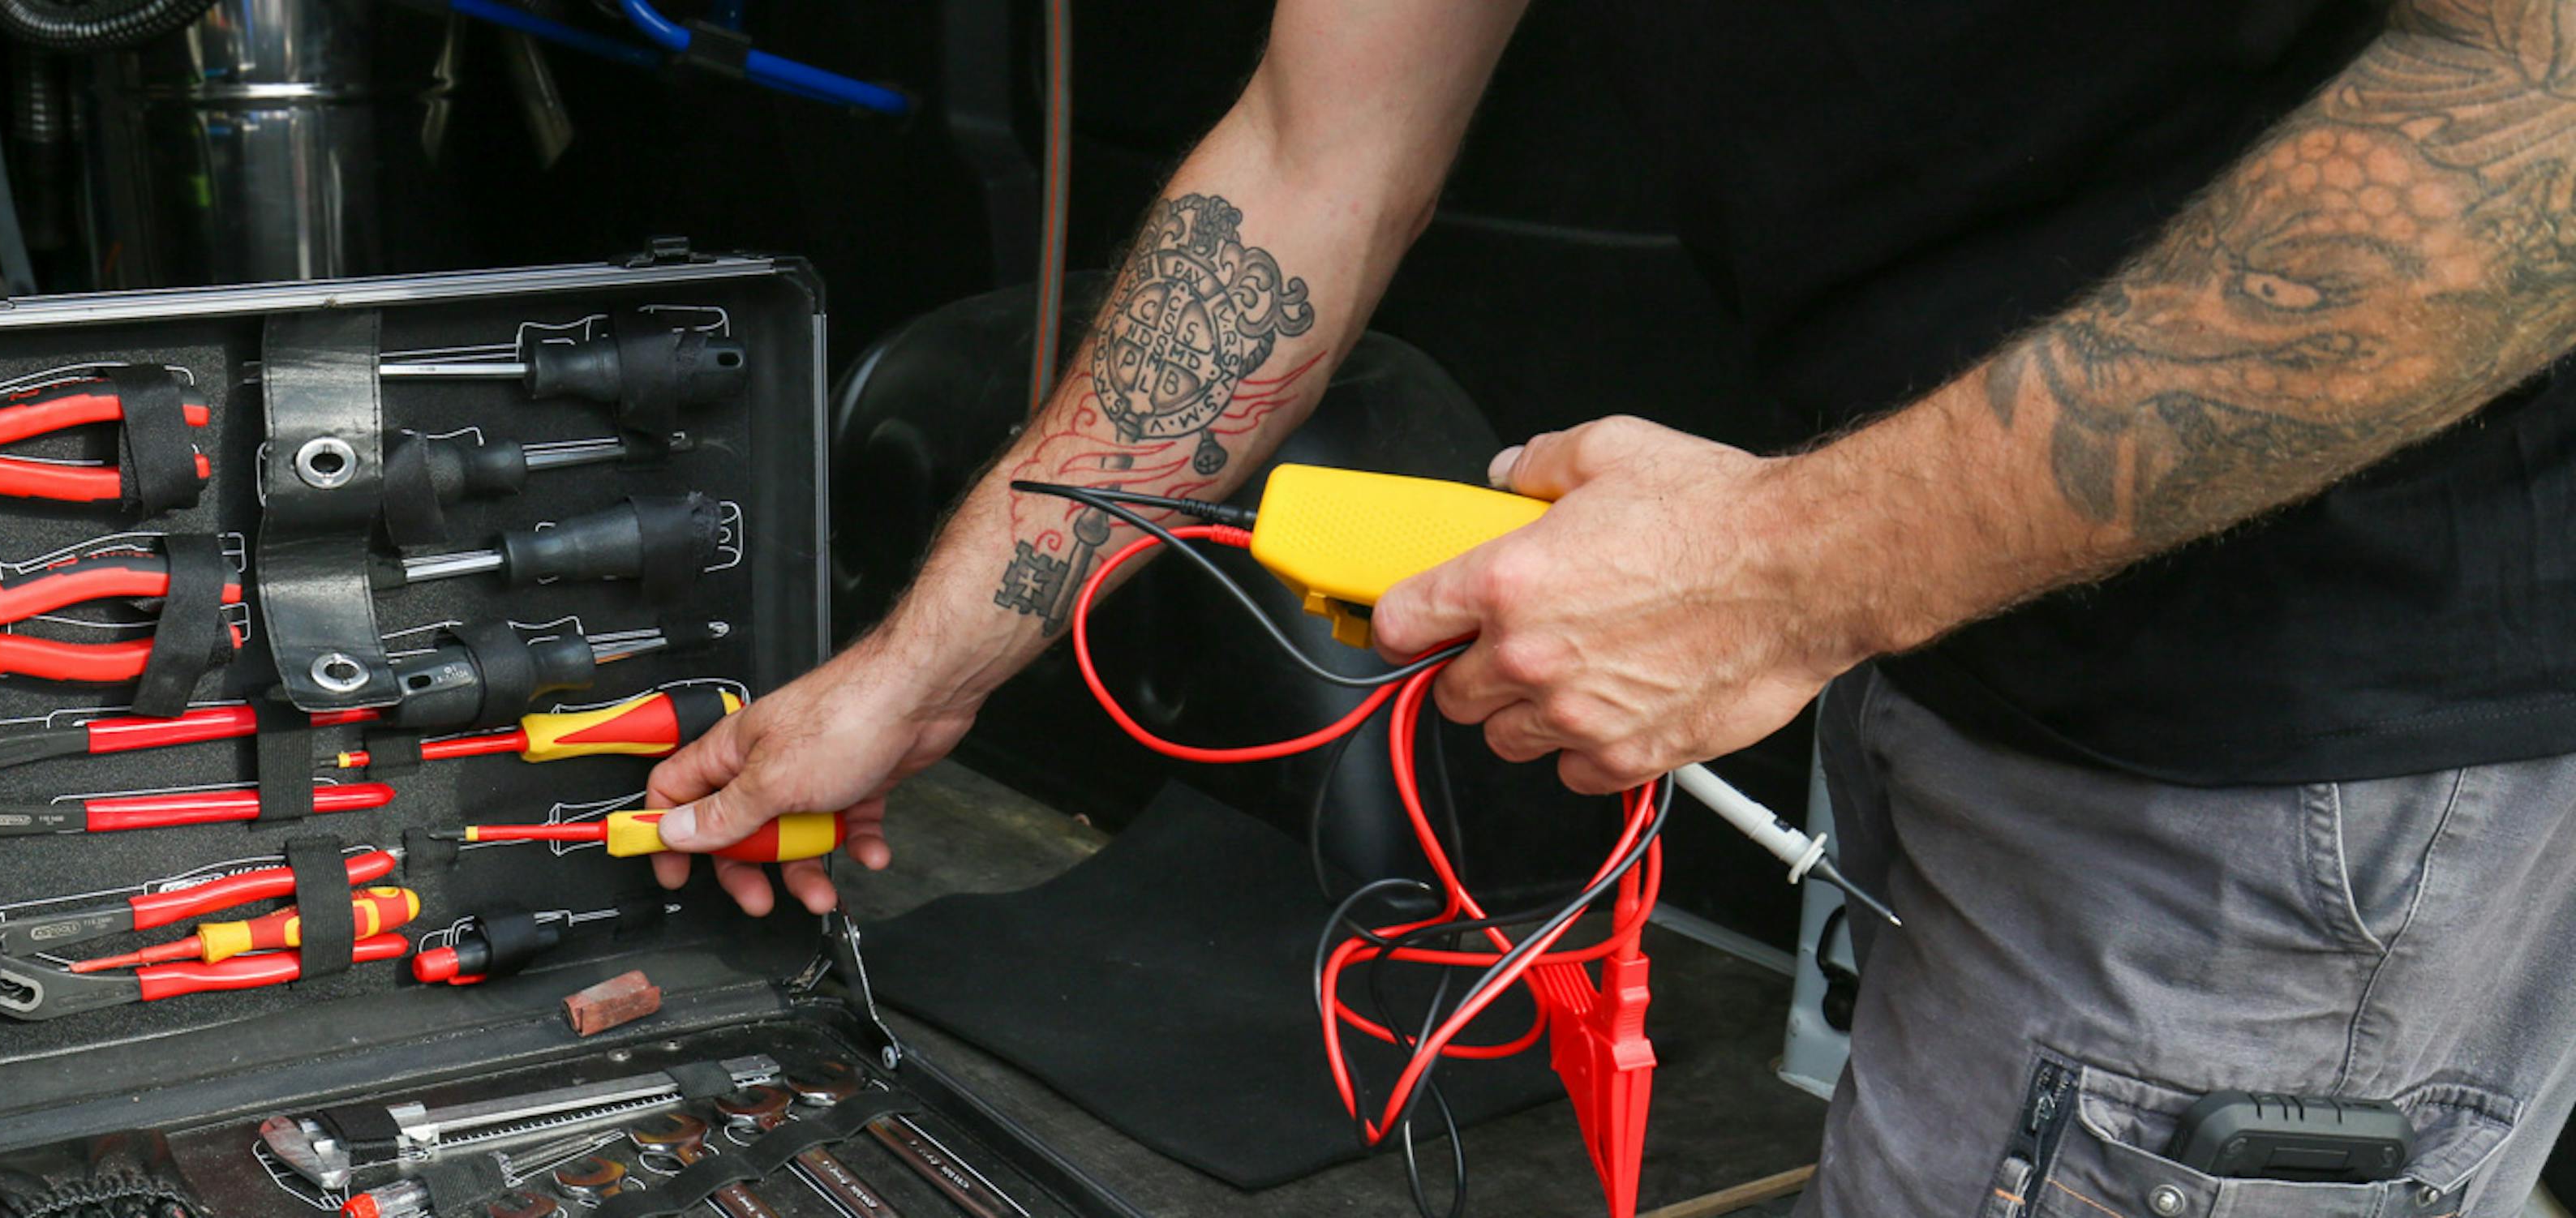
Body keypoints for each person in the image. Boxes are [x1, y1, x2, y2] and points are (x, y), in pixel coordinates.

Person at [648, 1, 2576, 1212]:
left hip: (2307, 742)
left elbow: (2535, 124)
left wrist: (1787, 572)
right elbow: (1322, 152)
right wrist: (919, 671)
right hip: (1946, 638)